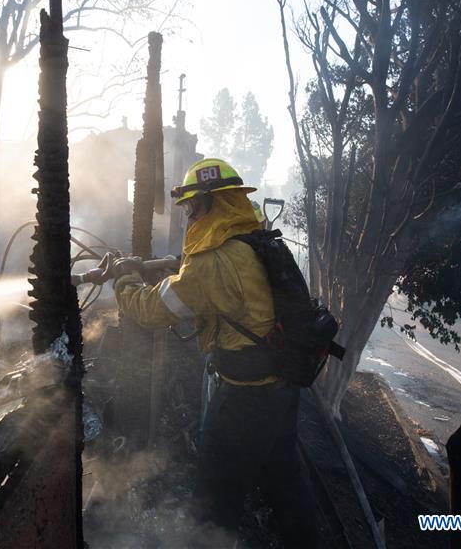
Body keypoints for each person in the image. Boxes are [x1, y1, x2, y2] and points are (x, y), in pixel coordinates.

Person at [105, 158, 320, 547]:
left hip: (244, 399)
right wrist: (176, 267)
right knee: (285, 480)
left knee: (214, 501)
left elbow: (153, 311)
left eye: (191, 207)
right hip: (283, 388)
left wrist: (125, 280)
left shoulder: (213, 264)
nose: (188, 216)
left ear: (210, 203)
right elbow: (213, 278)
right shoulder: (253, 241)